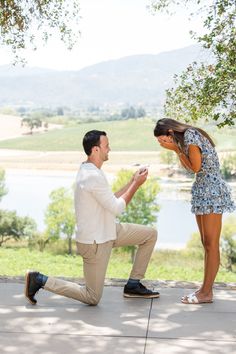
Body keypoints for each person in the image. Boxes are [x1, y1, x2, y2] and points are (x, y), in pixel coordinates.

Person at [25, 130, 159, 306]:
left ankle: (133, 284)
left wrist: (132, 181)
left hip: (108, 231)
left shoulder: (90, 170)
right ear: (95, 150)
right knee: (92, 297)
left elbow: (110, 200)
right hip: (95, 242)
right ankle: (40, 279)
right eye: (106, 146)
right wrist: (136, 184)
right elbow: (117, 208)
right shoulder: (92, 176)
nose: (109, 149)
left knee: (150, 234)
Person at [154, 118, 235, 304]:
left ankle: (207, 293)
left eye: (162, 140)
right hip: (202, 190)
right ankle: (204, 289)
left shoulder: (190, 135)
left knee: (211, 244)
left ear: (170, 133)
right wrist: (177, 150)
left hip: (211, 191)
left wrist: (175, 149)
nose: (161, 144)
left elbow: (195, 167)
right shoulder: (187, 139)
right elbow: (192, 169)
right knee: (206, 243)